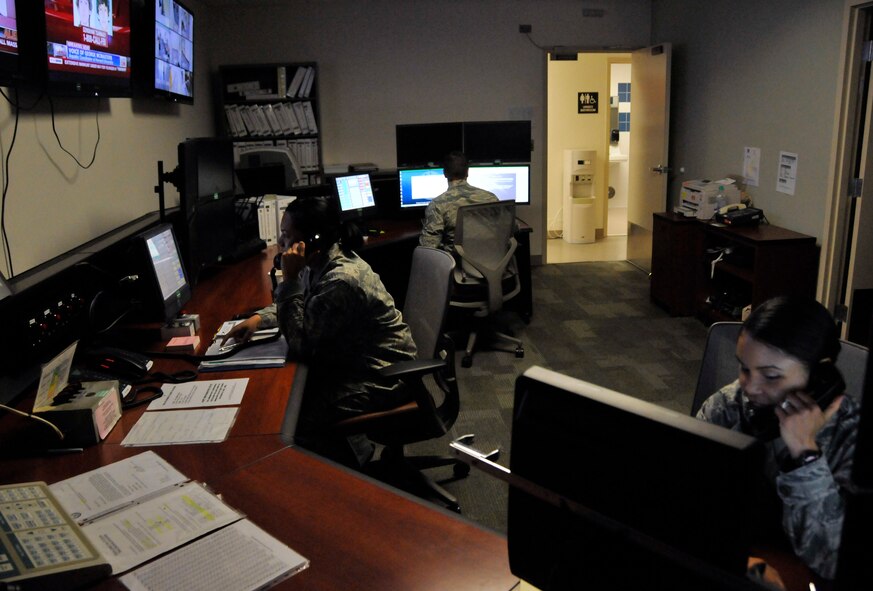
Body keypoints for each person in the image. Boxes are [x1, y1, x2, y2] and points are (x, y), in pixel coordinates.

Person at [223, 196, 417, 466]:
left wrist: (288, 279)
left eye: (287, 235)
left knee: (295, 415)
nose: (281, 242)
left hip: (383, 375)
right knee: (294, 397)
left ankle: (348, 471)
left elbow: (301, 344)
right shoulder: (322, 260)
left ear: (311, 239)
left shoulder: (340, 281)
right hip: (356, 362)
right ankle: (353, 449)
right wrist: (259, 318)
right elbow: (305, 304)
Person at [696, 296, 860, 580]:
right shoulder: (728, 406)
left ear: (821, 375)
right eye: (744, 368)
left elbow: (835, 562)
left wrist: (805, 457)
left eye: (771, 376)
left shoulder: (852, 435)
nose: (749, 387)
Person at [419, 151, 499, 251]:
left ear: (444, 173)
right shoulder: (491, 198)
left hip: (458, 262)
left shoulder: (438, 205)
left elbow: (428, 246)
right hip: (493, 261)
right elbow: (510, 228)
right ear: (467, 172)